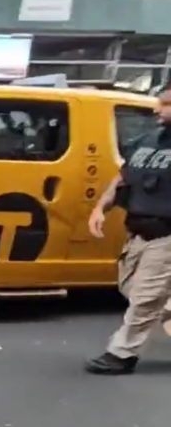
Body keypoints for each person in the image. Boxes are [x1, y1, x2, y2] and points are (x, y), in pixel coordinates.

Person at [85, 90, 171, 375]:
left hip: (166, 235)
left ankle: (121, 354)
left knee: (146, 297)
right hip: (137, 232)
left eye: (167, 104)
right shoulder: (149, 139)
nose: (158, 109)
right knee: (133, 288)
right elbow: (122, 177)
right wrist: (101, 208)